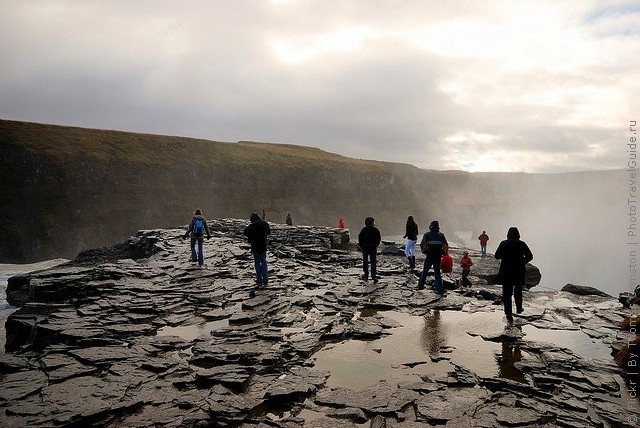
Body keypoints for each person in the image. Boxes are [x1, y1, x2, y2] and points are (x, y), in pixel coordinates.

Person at [495, 227, 533, 325]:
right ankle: (519, 308)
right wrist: (522, 262)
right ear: (518, 235)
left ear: (508, 234)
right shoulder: (522, 244)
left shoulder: (504, 243)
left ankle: (508, 314)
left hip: (506, 271)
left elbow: (497, 256)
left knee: (507, 293)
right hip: (518, 271)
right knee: (518, 289)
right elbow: (530, 256)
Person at [418, 220, 448, 294]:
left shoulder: (427, 235)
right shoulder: (441, 235)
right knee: (437, 272)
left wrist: (425, 252)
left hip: (430, 255)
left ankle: (420, 286)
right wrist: (442, 253)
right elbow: (446, 246)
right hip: (437, 256)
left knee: (425, 271)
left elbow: (422, 245)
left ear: (431, 226)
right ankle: (440, 289)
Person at [244, 212, 271, 286]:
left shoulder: (253, 225)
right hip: (263, 245)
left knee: (257, 263)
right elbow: (268, 232)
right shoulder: (265, 224)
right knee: (264, 262)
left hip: (255, 246)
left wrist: (252, 237)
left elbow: (245, 232)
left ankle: (259, 279)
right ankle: (265, 279)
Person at [357, 217, 381, 282]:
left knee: (365, 261)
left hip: (365, 248)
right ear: (372, 222)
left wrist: (361, 246)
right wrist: (376, 245)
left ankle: (366, 275)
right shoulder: (376, 230)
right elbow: (378, 239)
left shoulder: (364, 229)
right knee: (373, 261)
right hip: (373, 247)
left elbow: (360, 238)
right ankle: (373, 276)